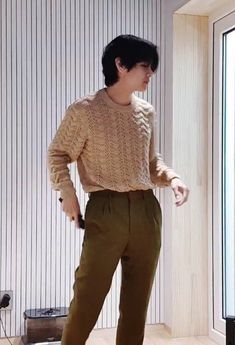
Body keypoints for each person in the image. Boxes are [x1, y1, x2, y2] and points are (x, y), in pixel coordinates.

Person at [47, 34, 189, 345]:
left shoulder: (147, 112)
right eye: (145, 66)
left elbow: (151, 164)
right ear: (120, 65)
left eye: (152, 67)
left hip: (146, 212)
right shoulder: (85, 111)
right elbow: (57, 153)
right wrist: (67, 193)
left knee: (137, 303)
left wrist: (173, 178)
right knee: (88, 295)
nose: (150, 73)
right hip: (105, 210)